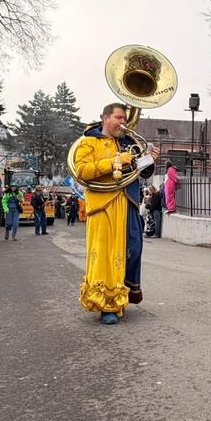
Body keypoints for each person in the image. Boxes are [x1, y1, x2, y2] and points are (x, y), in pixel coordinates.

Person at [73, 103, 159, 325]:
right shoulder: (88, 141)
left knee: (132, 249)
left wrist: (150, 160)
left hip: (128, 201)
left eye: (124, 118)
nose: (123, 122)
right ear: (105, 118)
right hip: (102, 203)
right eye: (119, 117)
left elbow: (141, 172)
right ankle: (106, 304)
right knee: (105, 255)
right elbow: (82, 172)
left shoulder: (128, 142)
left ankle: (126, 291)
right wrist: (114, 161)